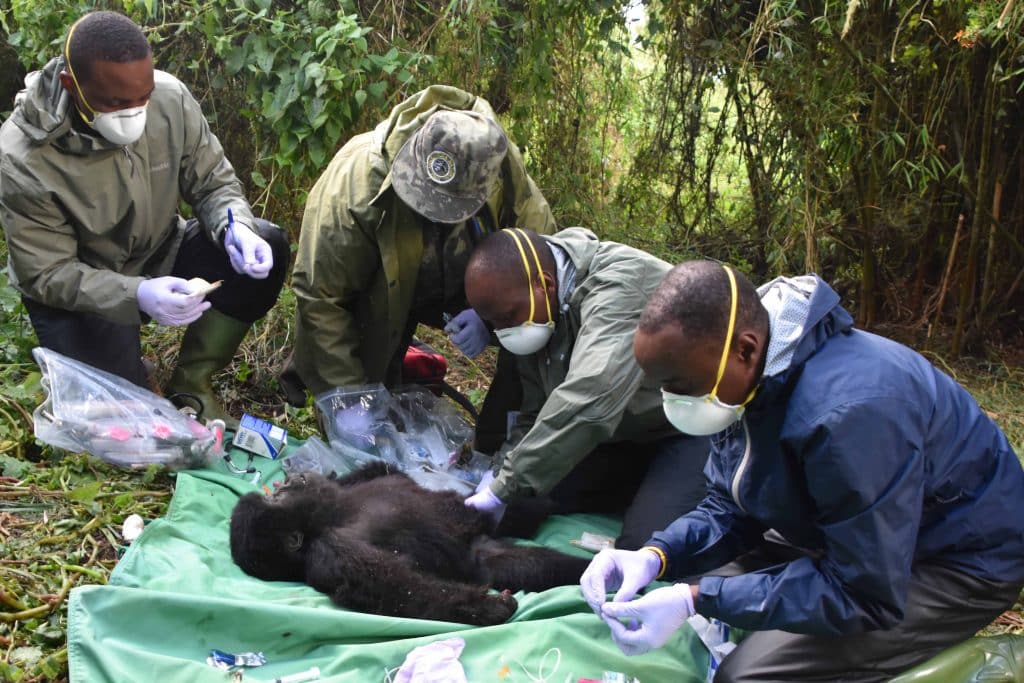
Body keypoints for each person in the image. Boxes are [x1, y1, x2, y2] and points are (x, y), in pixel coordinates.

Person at [579, 260, 1024, 681]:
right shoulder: (746, 376)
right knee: (702, 590)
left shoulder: (850, 414)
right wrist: (657, 556)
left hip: (956, 560)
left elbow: (863, 591)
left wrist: (695, 599)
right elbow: (729, 505)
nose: (673, 401)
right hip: (852, 533)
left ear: (746, 351)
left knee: (749, 674)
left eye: (680, 386)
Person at [0, 11, 288, 425]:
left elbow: (213, 184)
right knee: (118, 423)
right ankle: (129, 374)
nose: (135, 113)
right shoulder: (24, 156)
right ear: (72, 86)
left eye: (143, 97)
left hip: (159, 249)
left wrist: (235, 226)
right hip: (82, 293)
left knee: (269, 241)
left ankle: (192, 382)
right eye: (116, 103)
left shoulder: (170, 99)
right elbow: (46, 273)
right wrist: (137, 293)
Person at [281, 85, 555, 451]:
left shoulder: (499, 166)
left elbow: (542, 262)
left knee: (528, 313)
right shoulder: (353, 186)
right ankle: (364, 400)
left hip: (464, 275)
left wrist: (487, 317)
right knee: (362, 397)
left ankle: (503, 440)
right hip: (382, 286)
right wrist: (348, 401)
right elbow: (321, 296)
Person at [461, 228, 712, 550]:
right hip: (620, 436)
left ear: (546, 284)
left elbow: (591, 400)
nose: (504, 332)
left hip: (686, 430)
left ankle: (678, 492)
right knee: (516, 506)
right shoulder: (535, 310)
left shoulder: (620, 285)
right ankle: (640, 489)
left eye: (508, 317)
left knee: (646, 547)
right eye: (494, 325)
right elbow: (535, 413)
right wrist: (498, 476)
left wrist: (502, 489)